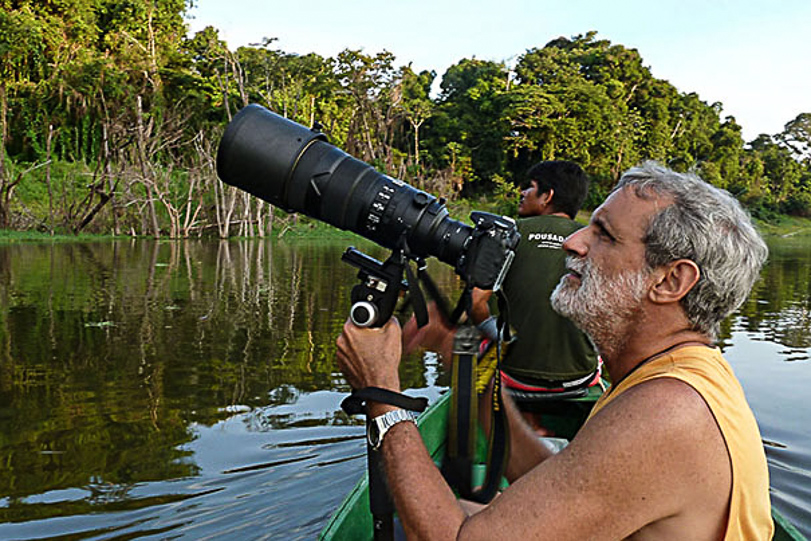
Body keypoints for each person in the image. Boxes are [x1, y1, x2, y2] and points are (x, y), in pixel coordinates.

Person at [336, 161, 773, 540]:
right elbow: (557, 483)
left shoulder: (668, 409)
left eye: (603, 235)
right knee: (465, 512)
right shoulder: (674, 374)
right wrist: (471, 366)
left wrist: (382, 394)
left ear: (670, 281)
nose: (573, 242)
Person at [469, 161, 599, 429]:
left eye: (529, 187)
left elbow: (475, 302)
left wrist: (498, 335)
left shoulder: (508, 234)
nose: (522, 193)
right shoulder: (595, 242)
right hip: (578, 380)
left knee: (481, 342)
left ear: (547, 196)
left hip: (515, 377)